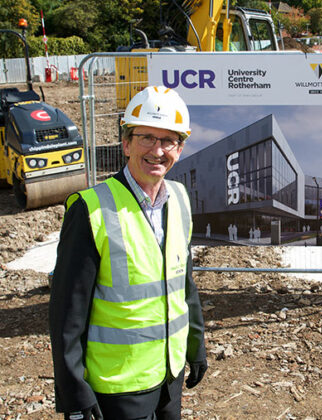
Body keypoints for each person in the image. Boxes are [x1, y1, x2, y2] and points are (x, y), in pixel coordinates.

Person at [49, 86, 207, 420]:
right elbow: (67, 312)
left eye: (169, 140)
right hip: (118, 385)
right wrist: (73, 391)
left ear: (180, 148)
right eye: (147, 137)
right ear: (126, 142)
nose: (158, 150)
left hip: (169, 374)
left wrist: (196, 344)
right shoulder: (91, 209)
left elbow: (184, 284)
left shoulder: (179, 198)